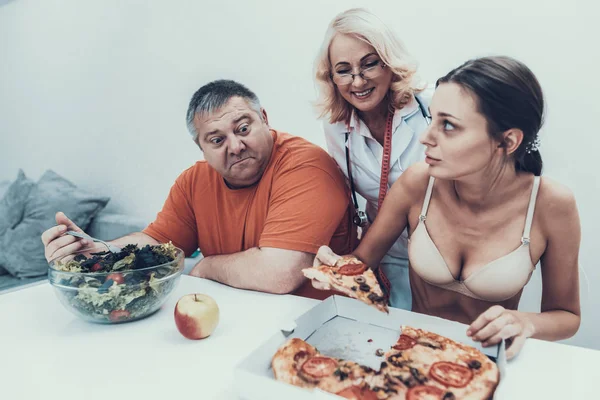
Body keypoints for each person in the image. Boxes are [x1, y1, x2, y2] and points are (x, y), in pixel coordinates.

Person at [313, 56, 581, 359]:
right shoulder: (418, 183)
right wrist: (334, 267)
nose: (427, 138)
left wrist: (526, 322)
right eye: (434, 120)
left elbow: (566, 316)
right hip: (411, 358)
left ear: (507, 142)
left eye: (449, 125)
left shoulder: (551, 205)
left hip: (485, 366)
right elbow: (361, 266)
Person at [42, 79, 356, 299]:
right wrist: (102, 251)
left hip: (317, 324)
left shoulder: (307, 166)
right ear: (201, 146)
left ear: (264, 119)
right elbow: (156, 243)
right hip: (238, 315)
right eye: (217, 140)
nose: (235, 146)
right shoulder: (194, 181)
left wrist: (206, 267)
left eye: (243, 128)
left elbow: (280, 273)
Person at [314, 8, 434, 310]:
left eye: (369, 64)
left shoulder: (432, 109)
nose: (357, 81)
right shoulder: (335, 127)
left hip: (441, 259)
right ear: (331, 76)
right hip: (385, 256)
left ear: (390, 63)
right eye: (343, 70)